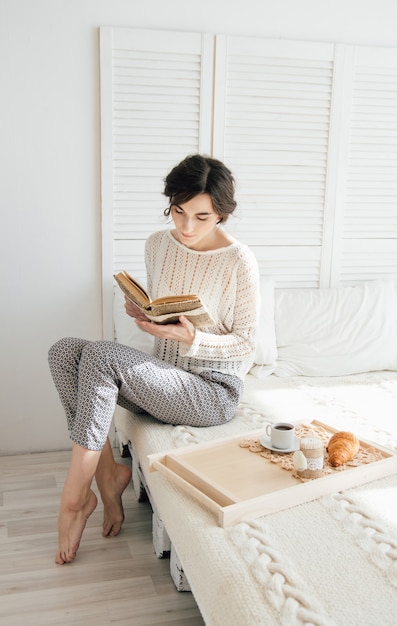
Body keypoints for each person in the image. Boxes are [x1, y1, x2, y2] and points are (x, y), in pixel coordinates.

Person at [48, 154, 260, 564]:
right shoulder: (158, 245)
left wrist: (194, 337)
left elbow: (247, 344)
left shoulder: (239, 261)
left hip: (211, 391)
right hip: (164, 378)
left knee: (100, 355)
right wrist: (143, 312)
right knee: (64, 353)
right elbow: (164, 307)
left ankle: (74, 501)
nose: (185, 227)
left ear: (222, 214)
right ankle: (108, 476)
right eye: (179, 212)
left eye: (201, 217)